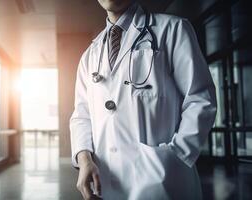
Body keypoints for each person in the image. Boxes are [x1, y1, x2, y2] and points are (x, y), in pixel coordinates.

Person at [70, 0, 217, 199]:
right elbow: (81, 116)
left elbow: (200, 99)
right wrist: (84, 158)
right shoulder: (90, 56)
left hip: (164, 184)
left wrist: (176, 156)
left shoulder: (172, 30)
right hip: (106, 184)